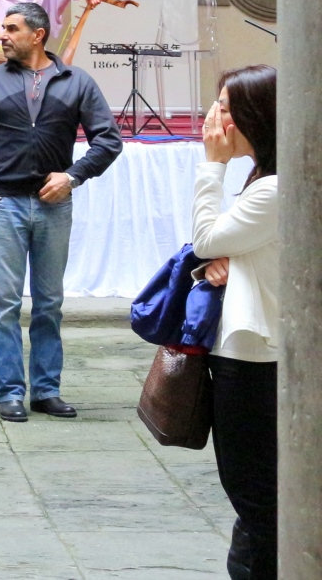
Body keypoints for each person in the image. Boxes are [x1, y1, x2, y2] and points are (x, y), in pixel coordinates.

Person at [0, 1, 121, 421]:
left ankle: (46, 389)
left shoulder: (76, 81)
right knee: (4, 303)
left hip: (52, 206)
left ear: (38, 34)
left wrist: (73, 177)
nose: (2, 35)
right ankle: (10, 392)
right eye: (2, 28)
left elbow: (108, 141)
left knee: (49, 303)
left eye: (11, 28)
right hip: (2, 204)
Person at [193, 66, 278, 580]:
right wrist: (218, 260)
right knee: (252, 497)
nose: (214, 120)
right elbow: (215, 248)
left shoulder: (273, 187)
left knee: (255, 495)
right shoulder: (264, 179)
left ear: (256, 115)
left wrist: (211, 166)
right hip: (246, 352)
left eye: (225, 108)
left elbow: (205, 238)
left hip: (254, 357)